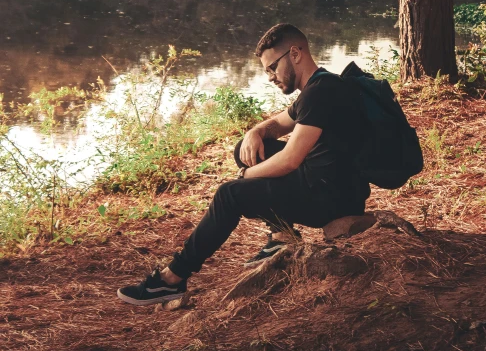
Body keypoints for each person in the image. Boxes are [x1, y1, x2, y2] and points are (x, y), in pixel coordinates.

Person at [117, 23, 370, 306]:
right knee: (247, 149)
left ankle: (171, 279)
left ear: (295, 53)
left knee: (230, 194)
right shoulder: (321, 84)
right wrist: (254, 133)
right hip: (332, 183)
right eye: (266, 72)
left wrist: (244, 177)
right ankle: (281, 237)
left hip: (331, 199)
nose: (271, 77)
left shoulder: (319, 94)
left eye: (272, 68)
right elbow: (277, 125)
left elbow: (289, 161)